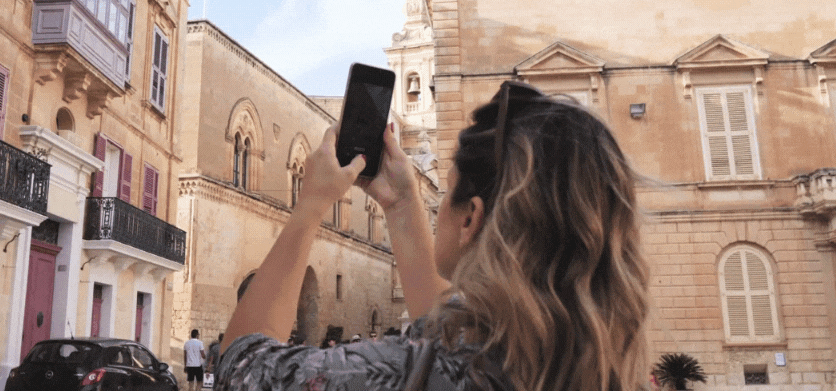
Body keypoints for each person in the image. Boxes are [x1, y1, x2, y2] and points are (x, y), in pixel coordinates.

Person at [214, 81, 649, 391]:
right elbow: (451, 332)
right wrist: (403, 204)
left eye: (445, 194)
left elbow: (242, 368)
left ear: (470, 218)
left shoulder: (407, 373)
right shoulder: (605, 369)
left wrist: (310, 206)